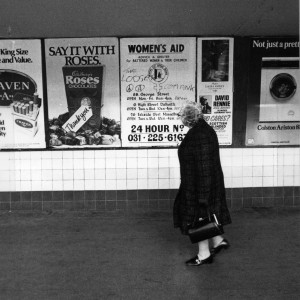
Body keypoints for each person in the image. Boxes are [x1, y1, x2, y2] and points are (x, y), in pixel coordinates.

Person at [173, 101, 231, 266]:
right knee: (204, 216)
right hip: (201, 184)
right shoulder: (203, 130)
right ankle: (218, 241)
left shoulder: (199, 135)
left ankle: (204, 255)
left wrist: (203, 196)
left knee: (199, 219)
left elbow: (203, 166)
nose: (180, 119)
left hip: (199, 186)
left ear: (189, 117)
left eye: (181, 116)